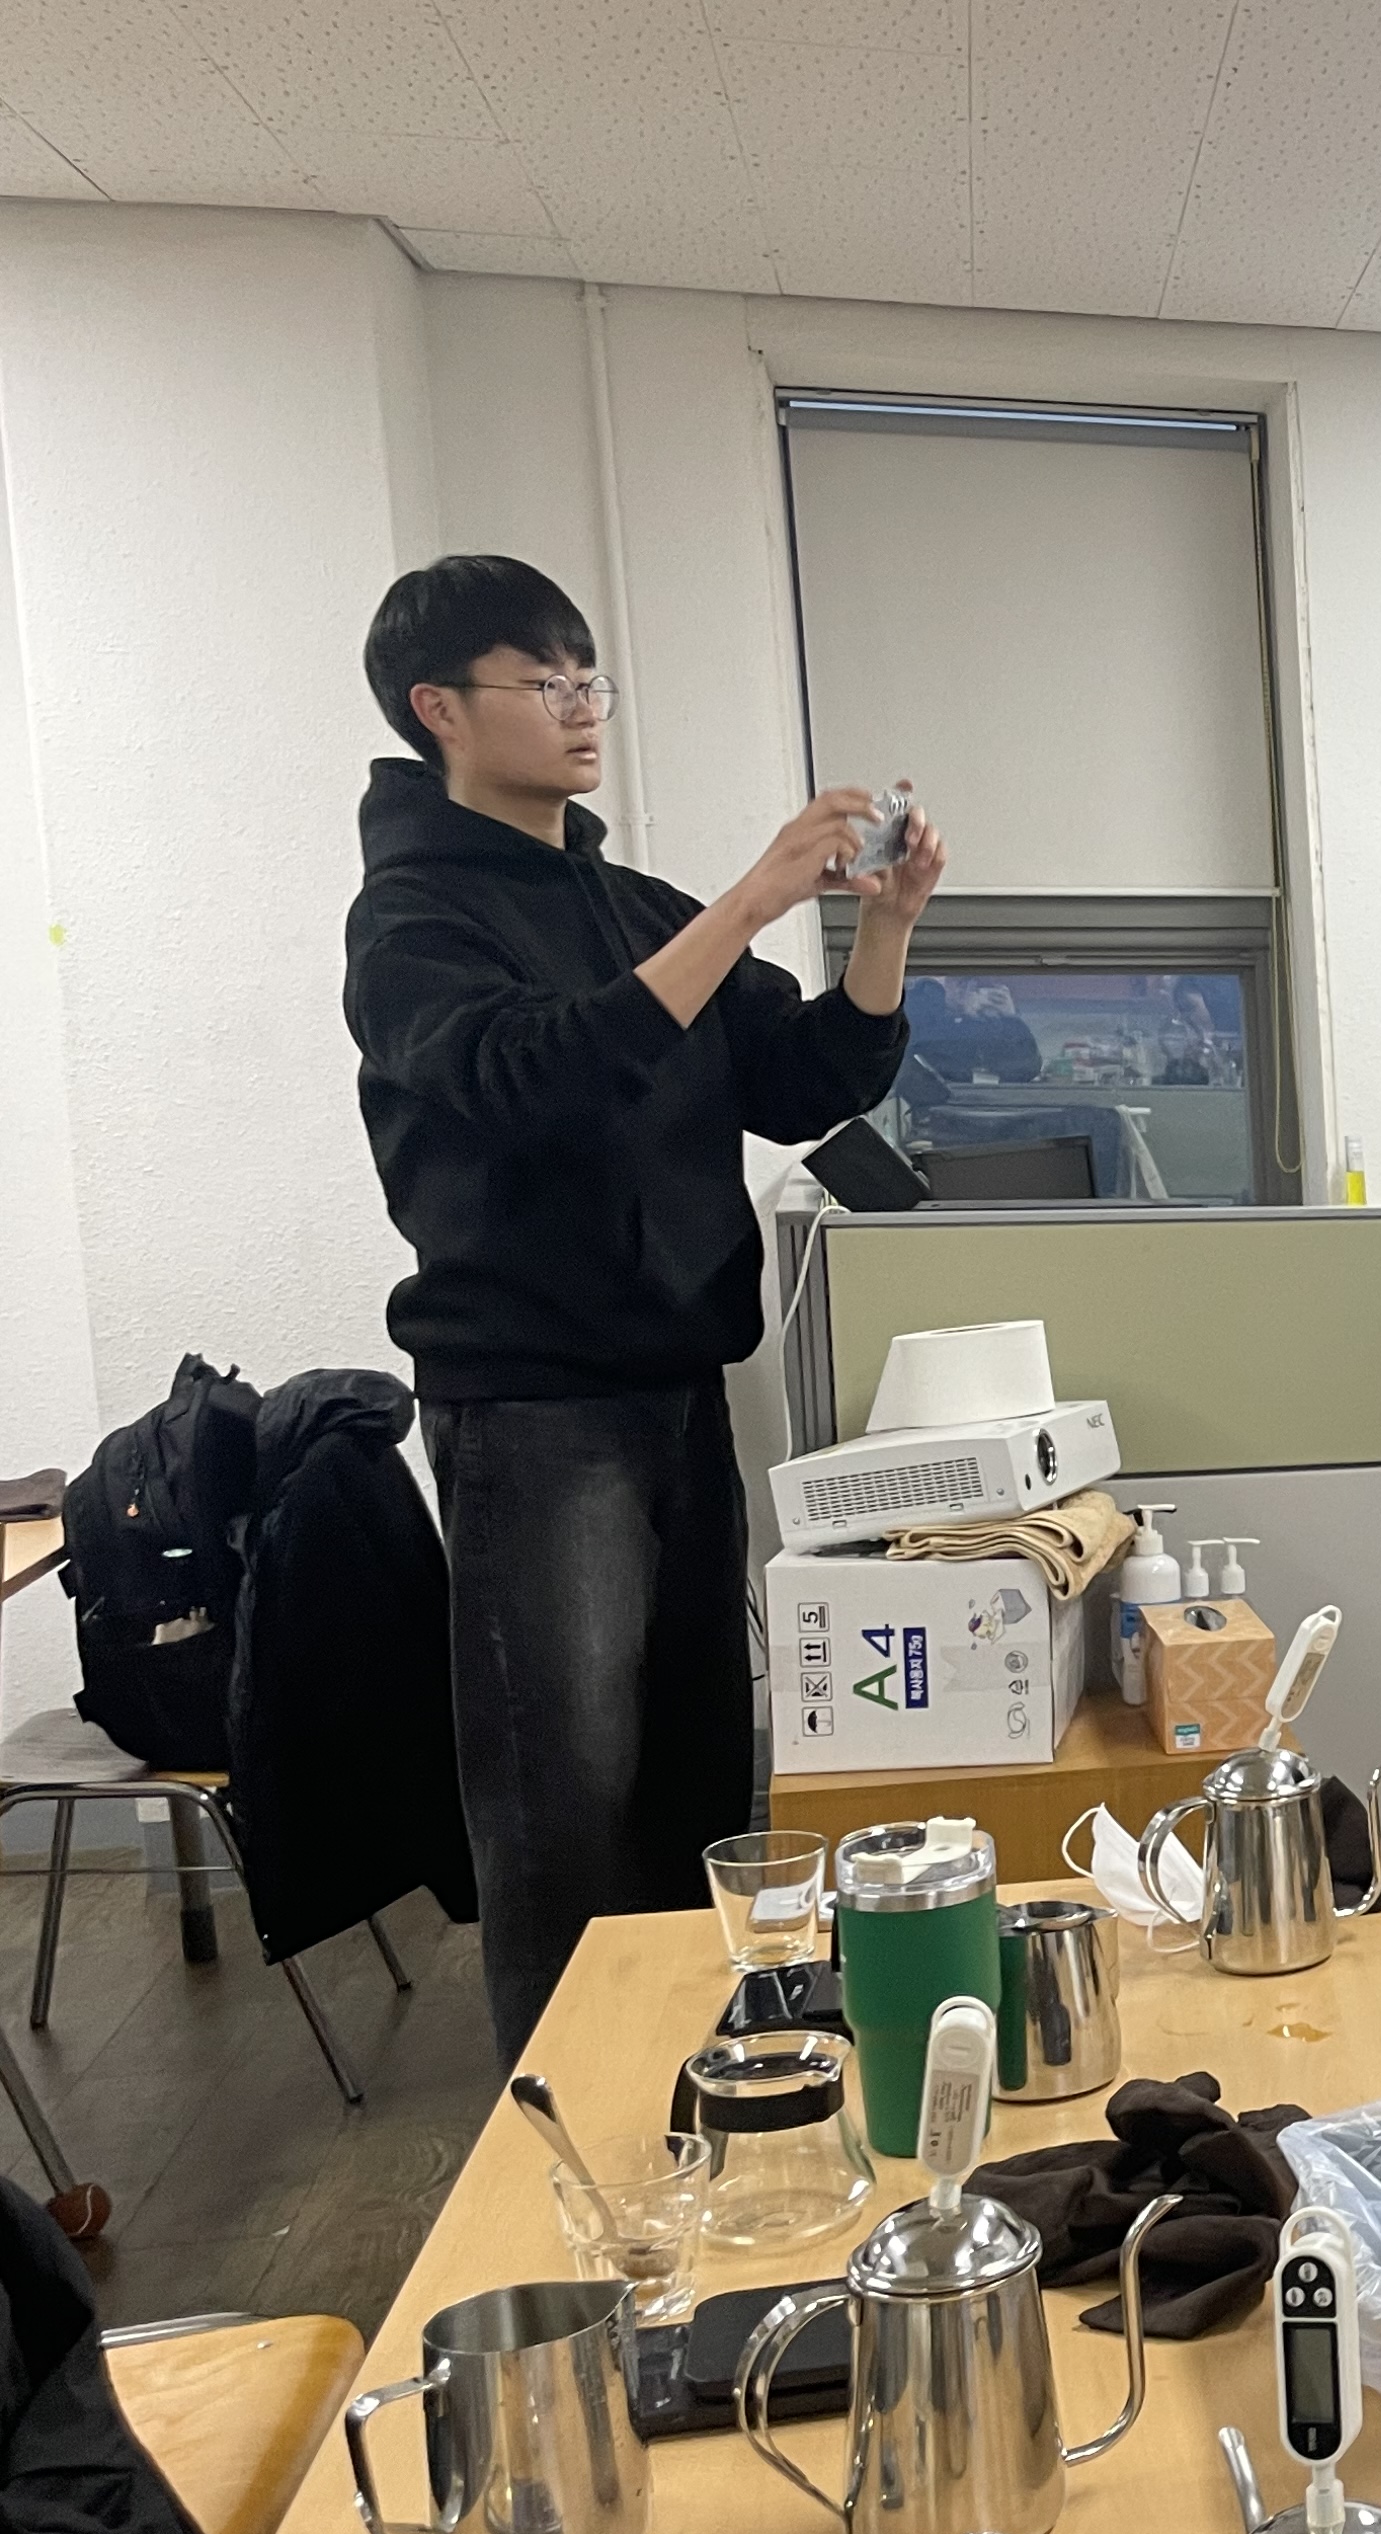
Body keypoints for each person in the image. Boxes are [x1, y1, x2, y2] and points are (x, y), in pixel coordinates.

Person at [345, 555, 947, 2061]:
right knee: (561, 1809)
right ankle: (563, 2132)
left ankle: (702, 2095)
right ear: (438, 709)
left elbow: (801, 1081)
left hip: (680, 1394)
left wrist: (884, 927)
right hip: (533, 1413)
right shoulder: (410, 920)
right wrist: (750, 901)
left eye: (588, 677)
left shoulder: (634, 906)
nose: (581, 708)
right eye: (541, 681)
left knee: (694, 1781)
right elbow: (534, 1075)